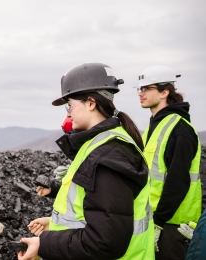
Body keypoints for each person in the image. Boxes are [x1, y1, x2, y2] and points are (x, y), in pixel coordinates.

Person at [19, 63, 154, 260]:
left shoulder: (108, 154)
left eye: (70, 105)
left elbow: (104, 242)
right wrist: (56, 226)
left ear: (91, 103)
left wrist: (44, 243)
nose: (68, 113)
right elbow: (98, 213)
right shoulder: (101, 145)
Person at [136, 65, 202, 260]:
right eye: (139, 89)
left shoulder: (179, 129)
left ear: (165, 92)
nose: (141, 93)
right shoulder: (154, 127)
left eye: (147, 88)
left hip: (173, 225)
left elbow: (178, 181)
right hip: (156, 220)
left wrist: (158, 221)